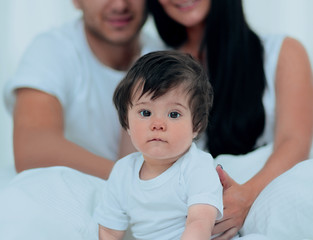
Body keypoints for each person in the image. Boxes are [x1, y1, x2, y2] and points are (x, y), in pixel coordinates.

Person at [147, 0, 313, 239]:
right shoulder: (152, 65)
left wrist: (246, 196)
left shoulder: (282, 51)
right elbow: (137, 159)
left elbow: (294, 143)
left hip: (263, 190)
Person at [0, 0, 164, 239]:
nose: (119, 5)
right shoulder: (53, 49)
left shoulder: (164, 58)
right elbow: (32, 148)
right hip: (56, 197)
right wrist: (131, 181)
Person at [94, 50, 268, 240]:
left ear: (196, 126)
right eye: (145, 113)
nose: (158, 124)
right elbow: (110, 230)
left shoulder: (197, 166)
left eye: (173, 114)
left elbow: (199, 222)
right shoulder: (122, 172)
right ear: (126, 123)